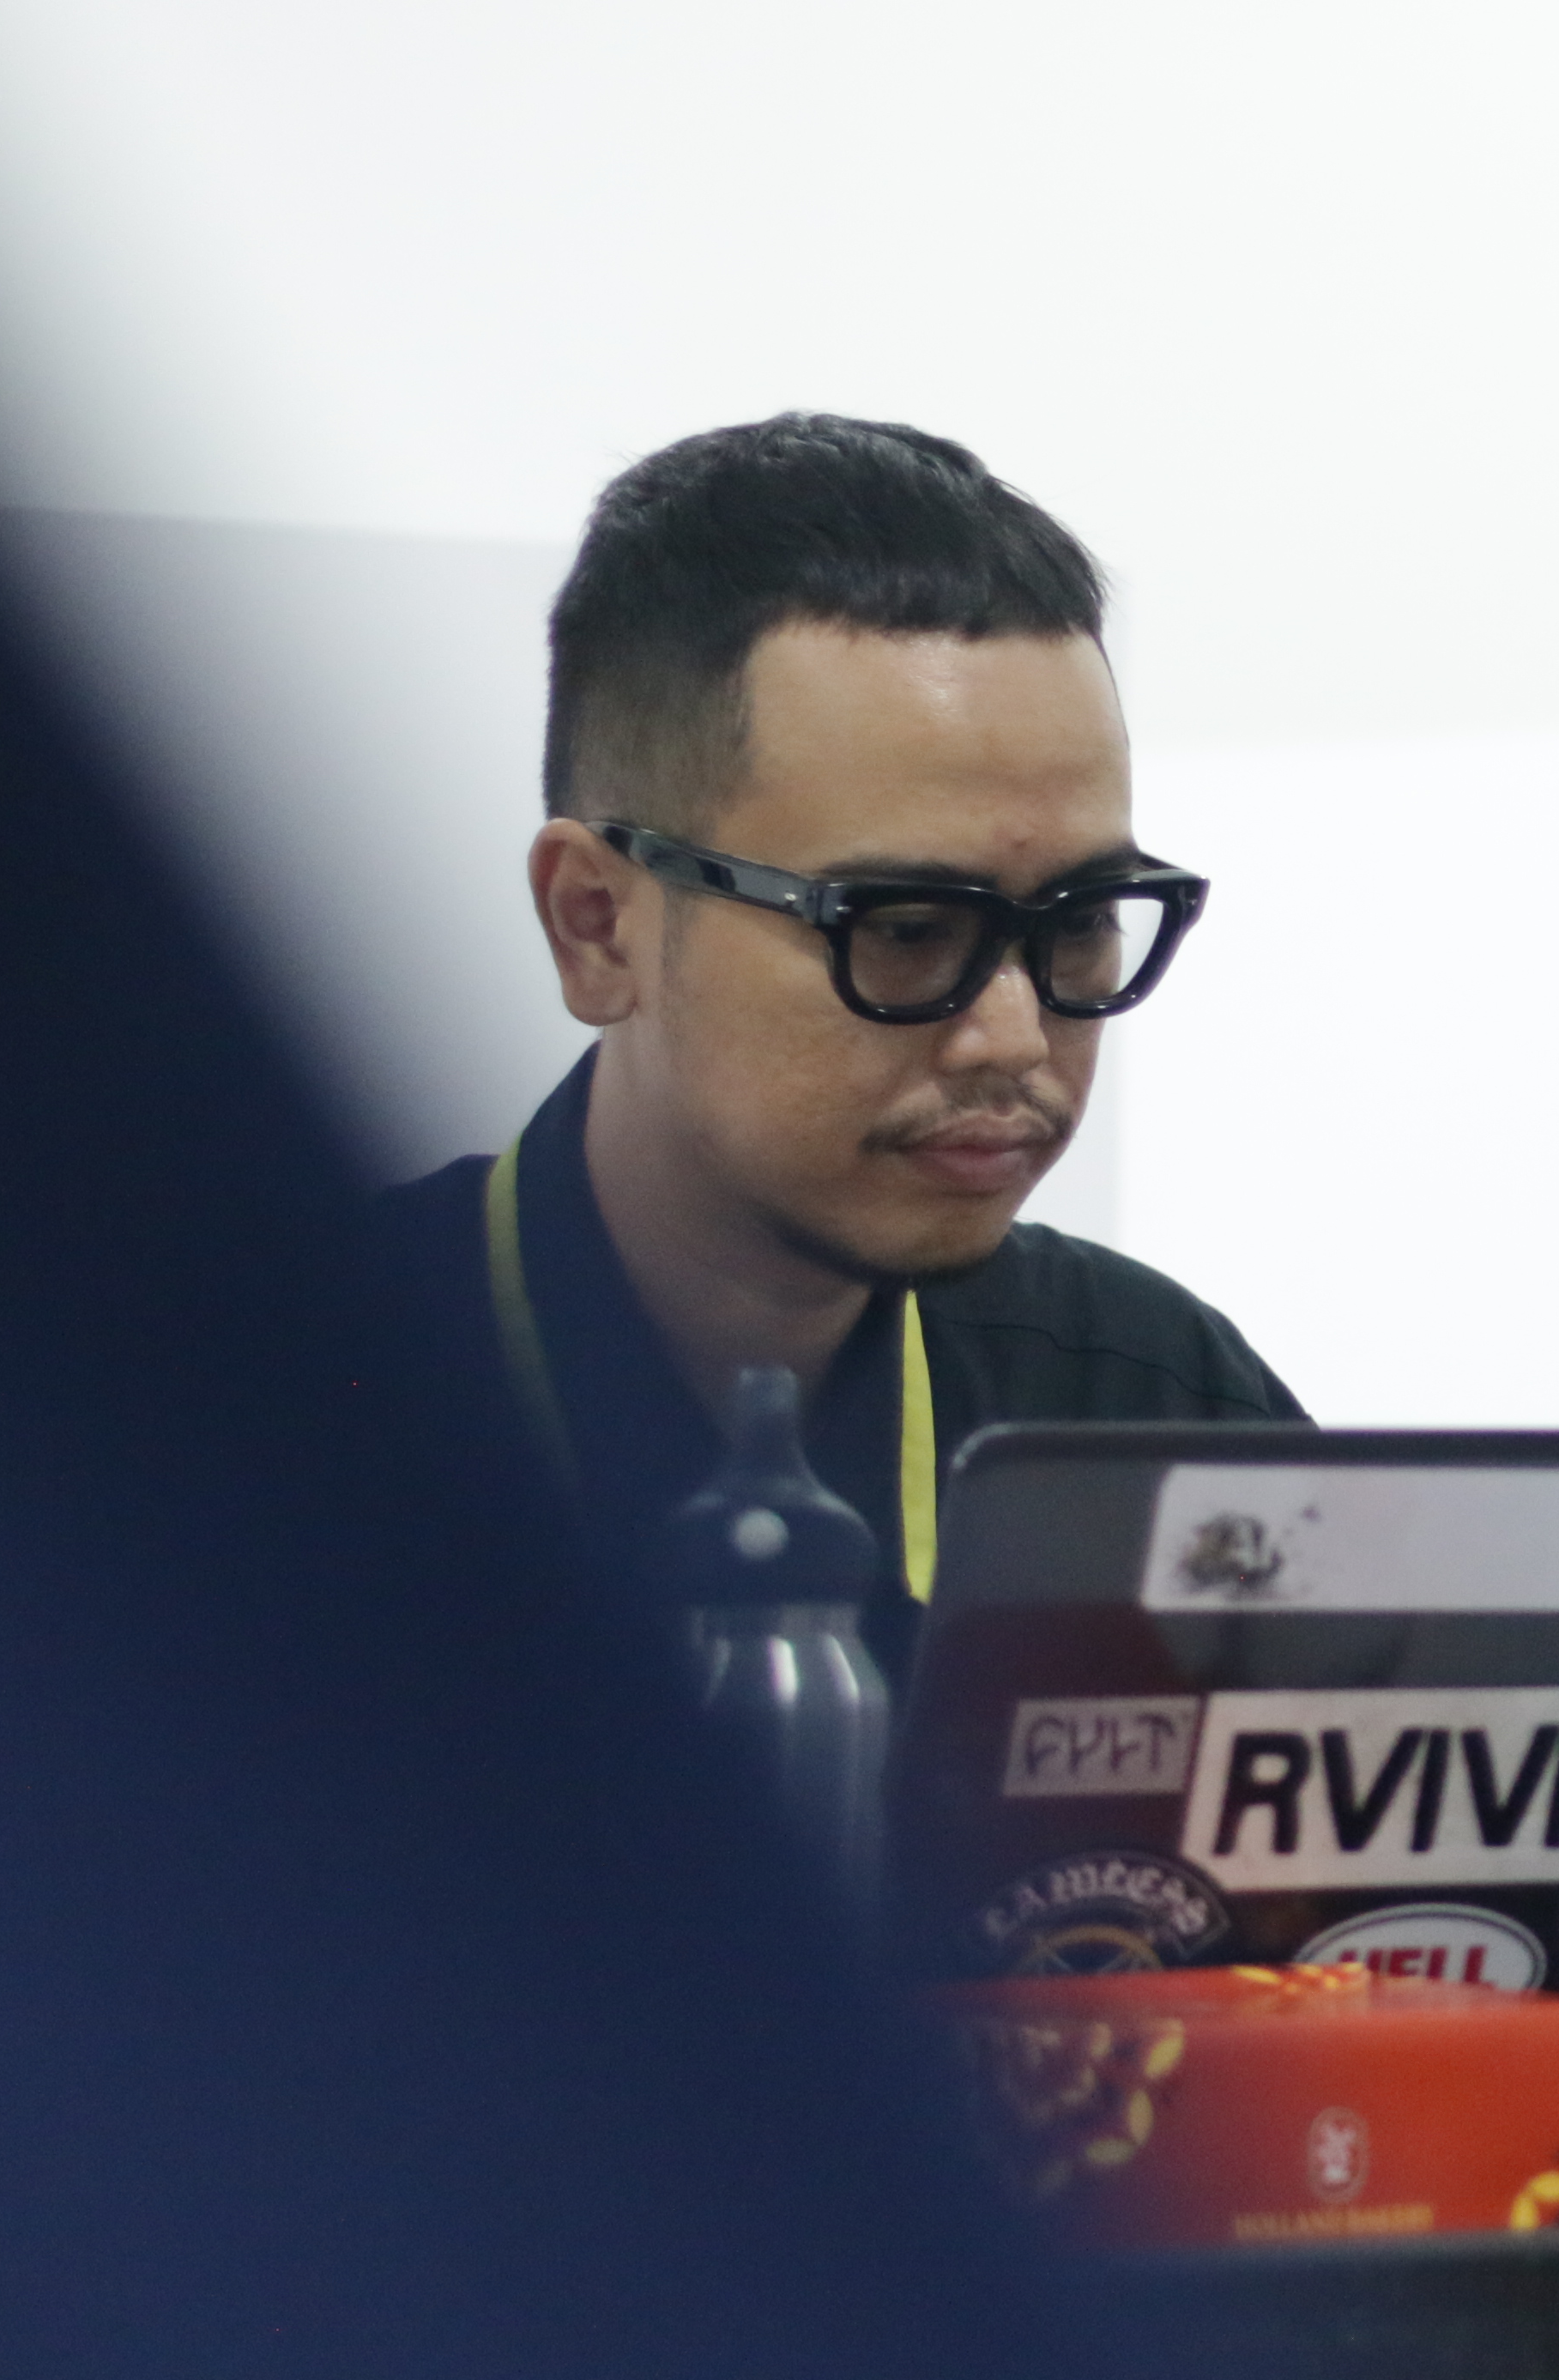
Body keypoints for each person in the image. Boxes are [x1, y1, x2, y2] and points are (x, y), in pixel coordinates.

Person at [365, 415, 1300, 1674]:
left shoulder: (1151, 1414)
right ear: (597, 924)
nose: (1012, 1036)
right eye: (904, 931)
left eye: (1080, 922)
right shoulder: (247, 1420)